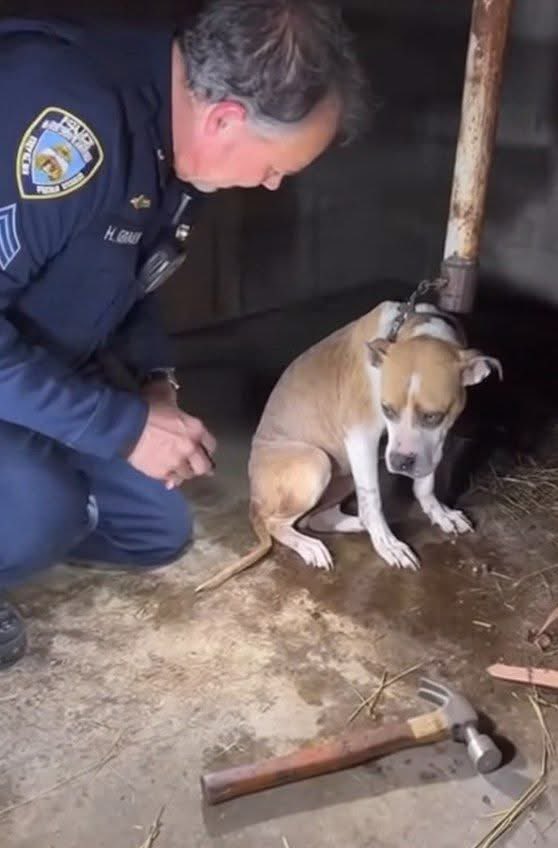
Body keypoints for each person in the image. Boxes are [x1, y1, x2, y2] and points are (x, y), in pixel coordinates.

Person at [0, 0, 365, 667]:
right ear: (226, 118)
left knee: (152, 527)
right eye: (276, 165)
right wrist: (120, 427)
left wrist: (153, 384)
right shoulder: (69, 131)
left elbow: (125, 271)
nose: (273, 183)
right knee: (39, 511)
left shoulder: (175, 120)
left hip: (27, 364)